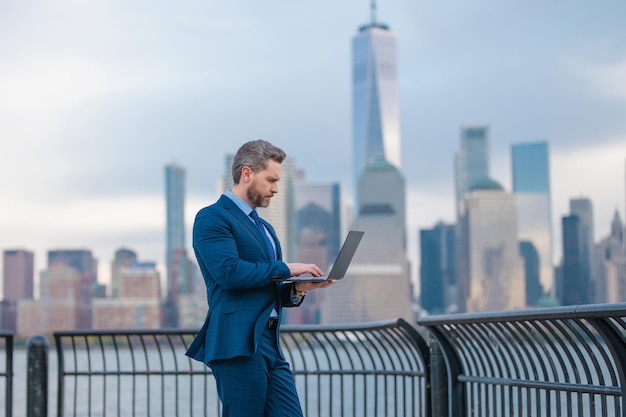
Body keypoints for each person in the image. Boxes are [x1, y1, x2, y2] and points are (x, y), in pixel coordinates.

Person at [186, 139, 334, 417]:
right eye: (271, 180)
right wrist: (287, 268)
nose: (276, 188)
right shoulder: (212, 218)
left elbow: (267, 285)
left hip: (269, 344)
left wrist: (299, 288)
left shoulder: (264, 227)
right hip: (237, 344)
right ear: (246, 174)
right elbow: (229, 274)